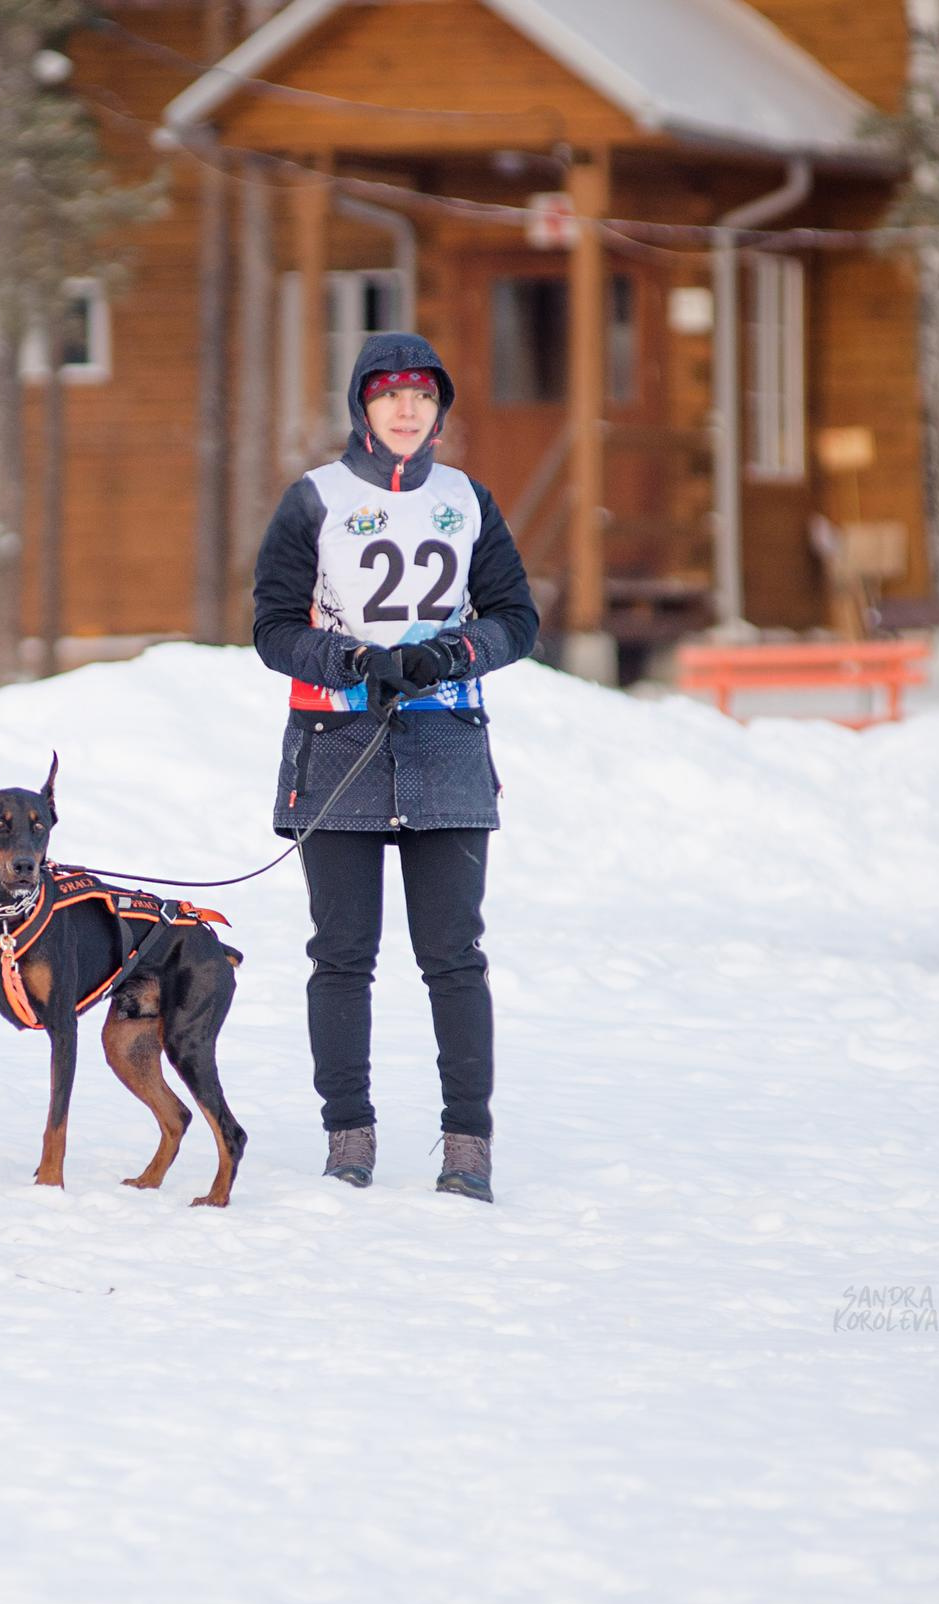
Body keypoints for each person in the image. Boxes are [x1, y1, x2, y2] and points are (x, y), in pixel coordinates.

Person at [251, 332, 540, 1202]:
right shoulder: (315, 500)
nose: (407, 408)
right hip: (337, 744)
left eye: (422, 394)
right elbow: (271, 627)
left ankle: (468, 1147)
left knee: (454, 955)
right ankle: (349, 1138)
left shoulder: (468, 500)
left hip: (445, 742)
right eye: (389, 394)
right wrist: (347, 661)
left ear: (439, 408)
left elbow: (517, 618)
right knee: (342, 954)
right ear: (363, 407)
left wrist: (453, 654)